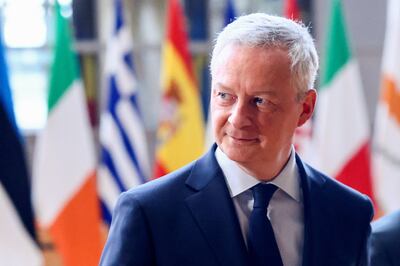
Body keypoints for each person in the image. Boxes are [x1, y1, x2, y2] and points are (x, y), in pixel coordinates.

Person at [100, 13, 373, 266]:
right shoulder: (149, 213)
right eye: (225, 96)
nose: (237, 118)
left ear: (305, 108)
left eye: (260, 101)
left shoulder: (349, 212)